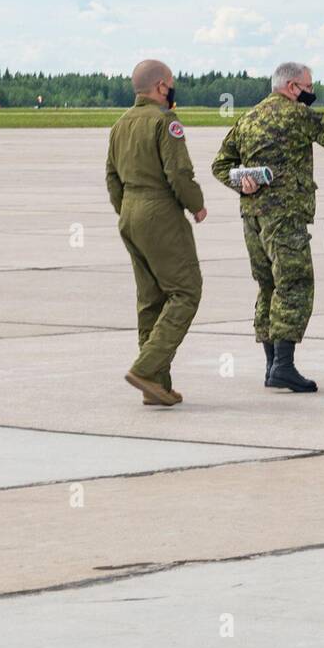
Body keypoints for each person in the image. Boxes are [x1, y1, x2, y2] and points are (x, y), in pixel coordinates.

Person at [211, 61, 324, 392]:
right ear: (292, 87)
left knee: (268, 287)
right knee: (295, 284)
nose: (311, 93)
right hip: (285, 217)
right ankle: (284, 366)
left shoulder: (248, 118)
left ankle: (272, 365)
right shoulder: (295, 114)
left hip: (253, 219)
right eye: (309, 87)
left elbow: (220, 165)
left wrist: (241, 181)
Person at [106, 59, 206, 406]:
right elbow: (178, 172)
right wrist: (196, 204)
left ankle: (157, 386)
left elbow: (111, 177)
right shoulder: (165, 123)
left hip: (130, 212)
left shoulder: (120, 125)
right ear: (161, 86)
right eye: (171, 84)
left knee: (151, 300)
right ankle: (147, 369)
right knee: (186, 291)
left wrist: (127, 210)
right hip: (159, 211)